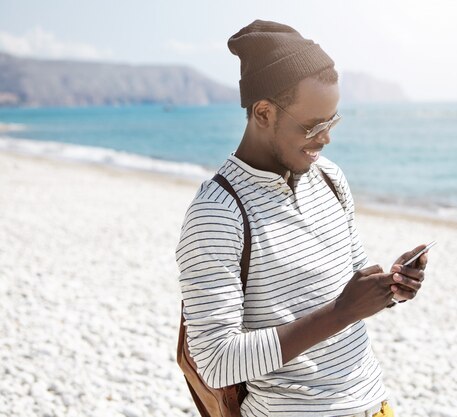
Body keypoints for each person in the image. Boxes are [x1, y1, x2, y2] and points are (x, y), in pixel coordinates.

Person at [175, 19, 428, 417]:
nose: (326, 137)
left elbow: (351, 285)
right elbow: (216, 361)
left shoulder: (329, 178)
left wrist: (390, 288)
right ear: (263, 113)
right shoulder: (216, 214)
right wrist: (341, 312)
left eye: (333, 121)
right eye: (313, 126)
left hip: (373, 405)